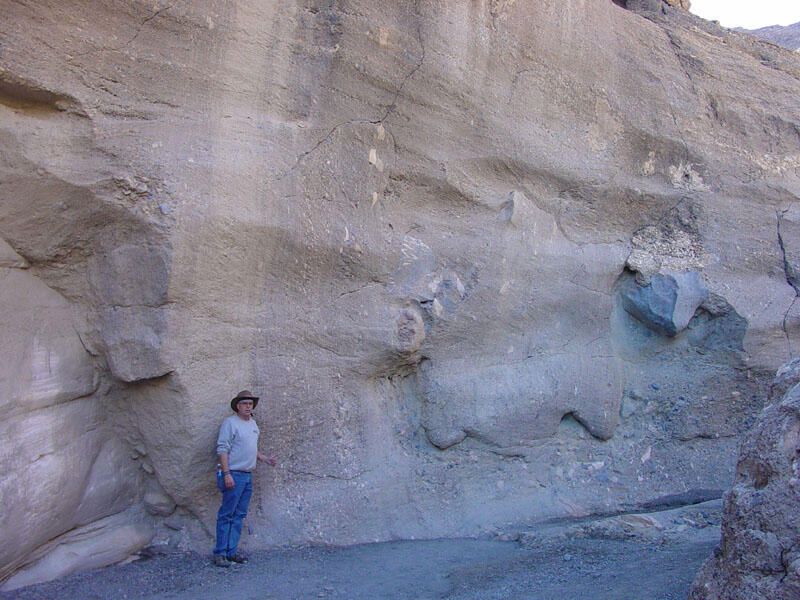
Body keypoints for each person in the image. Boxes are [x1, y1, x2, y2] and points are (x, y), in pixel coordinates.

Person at [212, 390, 276, 567]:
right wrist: (226, 474)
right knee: (227, 514)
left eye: (250, 404)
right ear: (237, 406)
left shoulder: (253, 424)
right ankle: (220, 553)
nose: (248, 407)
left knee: (239, 514)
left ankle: (231, 551)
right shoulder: (230, 423)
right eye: (244, 404)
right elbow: (222, 449)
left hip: (247, 475)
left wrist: (265, 459)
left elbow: (250, 448)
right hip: (234, 473)